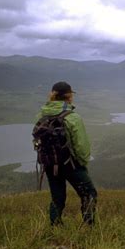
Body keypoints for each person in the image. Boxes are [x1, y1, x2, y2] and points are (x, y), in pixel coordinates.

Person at [34, 81, 97, 226]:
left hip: (50, 165)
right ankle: (88, 227)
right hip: (71, 165)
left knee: (57, 197)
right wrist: (82, 163)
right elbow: (81, 147)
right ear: (69, 97)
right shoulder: (73, 117)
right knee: (89, 194)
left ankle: (55, 226)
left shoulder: (41, 115)